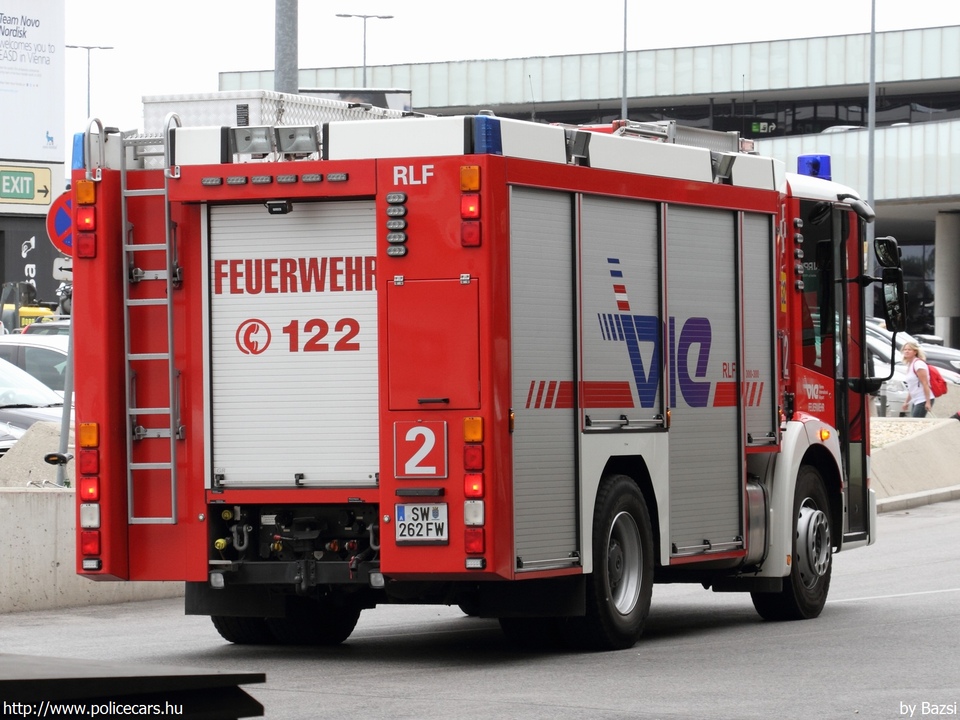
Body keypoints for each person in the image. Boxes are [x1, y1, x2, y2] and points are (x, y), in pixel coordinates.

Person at [901, 341, 934, 417]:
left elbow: (925, 384)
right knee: (915, 421)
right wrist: (906, 402)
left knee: (916, 421)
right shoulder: (910, 364)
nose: (906, 351)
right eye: (905, 349)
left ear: (915, 351)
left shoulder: (918, 364)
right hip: (916, 399)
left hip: (923, 399)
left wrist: (928, 402)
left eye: (909, 349)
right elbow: (912, 387)